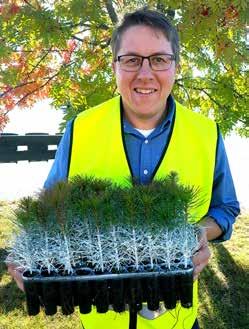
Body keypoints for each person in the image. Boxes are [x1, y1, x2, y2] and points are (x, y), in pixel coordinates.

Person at [8, 8, 240, 329]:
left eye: (159, 59)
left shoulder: (207, 133)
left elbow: (225, 208)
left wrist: (199, 233)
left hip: (176, 317)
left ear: (176, 65)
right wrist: (29, 253)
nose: (145, 74)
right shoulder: (81, 128)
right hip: (102, 318)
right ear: (114, 66)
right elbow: (48, 212)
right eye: (131, 59)